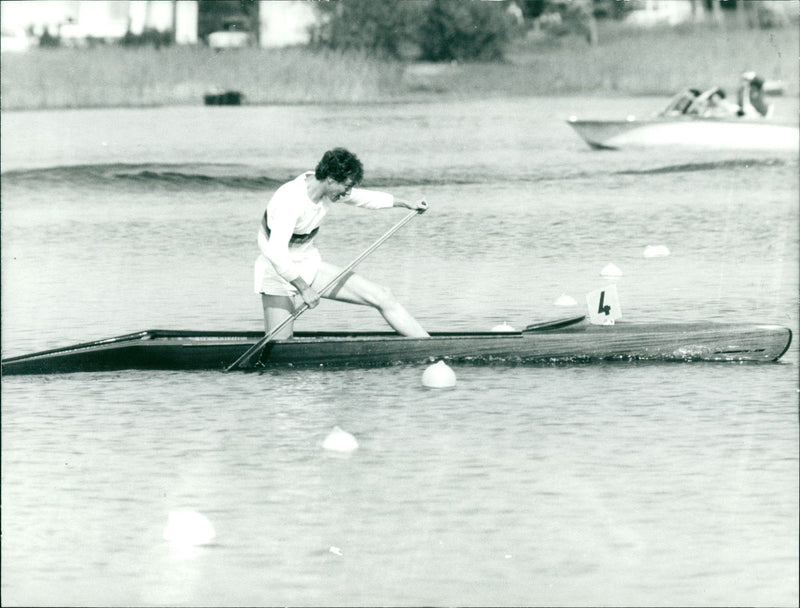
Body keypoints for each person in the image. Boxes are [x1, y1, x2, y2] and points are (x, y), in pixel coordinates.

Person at [253, 148, 430, 340]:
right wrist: (304, 289)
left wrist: (407, 204)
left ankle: (432, 347)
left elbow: (365, 198)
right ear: (330, 179)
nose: (347, 192)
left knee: (383, 297)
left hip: (308, 266)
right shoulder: (290, 200)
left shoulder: (325, 188)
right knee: (280, 346)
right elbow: (276, 254)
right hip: (277, 275)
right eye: (346, 186)